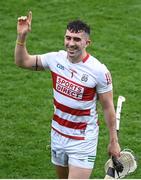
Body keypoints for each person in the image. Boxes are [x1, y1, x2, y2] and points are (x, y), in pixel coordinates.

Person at [15, 11, 121, 179]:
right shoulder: (55, 59)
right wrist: (22, 36)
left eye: (77, 39)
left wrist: (113, 141)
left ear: (87, 42)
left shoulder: (99, 71)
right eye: (68, 38)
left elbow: (108, 107)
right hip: (57, 134)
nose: (71, 43)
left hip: (82, 140)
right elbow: (22, 62)